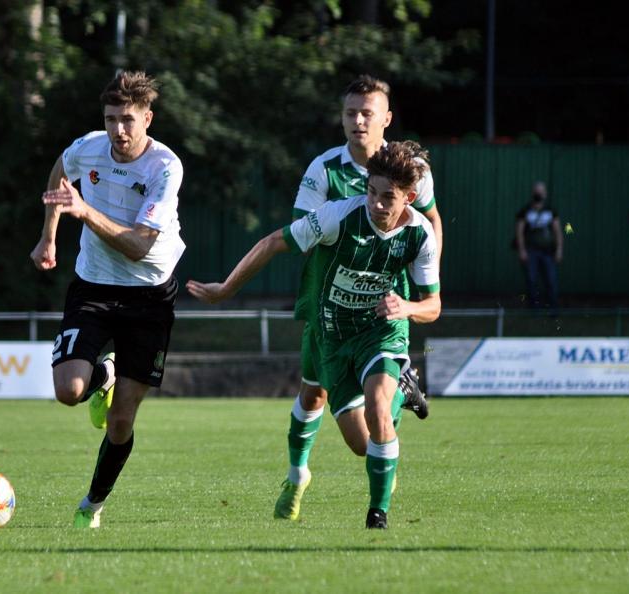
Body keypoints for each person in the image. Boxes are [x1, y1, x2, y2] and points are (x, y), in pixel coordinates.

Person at [188, 141, 441, 529]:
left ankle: (378, 515)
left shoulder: (421, 235)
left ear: (408, 197)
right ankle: (403, 391)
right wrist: (226, 288)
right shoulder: (337, 216)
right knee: (362, 444)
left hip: (381, 331)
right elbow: (274, 241)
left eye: (387, 197)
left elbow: (433, 306)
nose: (376, 203)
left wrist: (406, 308)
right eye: (371, 191)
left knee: (376, 408)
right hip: (333, 337)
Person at [272, 75, 441, 522]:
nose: (358, 121)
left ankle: (376, 505)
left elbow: (428, 223)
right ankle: (297, 475)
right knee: (317, 399)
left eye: (367, 113)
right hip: (327, 302)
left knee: (377, 411)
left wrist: (423, 278)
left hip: (382, 311)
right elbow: (303, 234)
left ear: (387, 118)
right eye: (351, 112)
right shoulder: (324, 170)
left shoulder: (410, 171)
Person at [29, 71, 185, 528]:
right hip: (93, 285)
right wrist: (49, 237)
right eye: (111, 119)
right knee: (68, 391)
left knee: (120, 424)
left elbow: (138, 245)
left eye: (128, 120)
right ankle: (104, 373)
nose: (118, 130)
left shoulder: (165, 168)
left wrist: (83, 211)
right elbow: (61, 169)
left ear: (148, 119)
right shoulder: (89, 146)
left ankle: (92, 505)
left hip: (150, 295)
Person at [514, 181, 563, 311]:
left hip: (548, 252)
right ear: (532, 193)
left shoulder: (551, 211)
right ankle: (534, 308)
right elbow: (519, 232)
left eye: (541, 191)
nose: (539, 193)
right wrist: (522, 250)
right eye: (537, 191)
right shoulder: (525, 211)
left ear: (545, 194)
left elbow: (558, 231)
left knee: (551, 280)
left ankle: (553, 307)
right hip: (531, 251)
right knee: (531, 280)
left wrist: (559, 250)